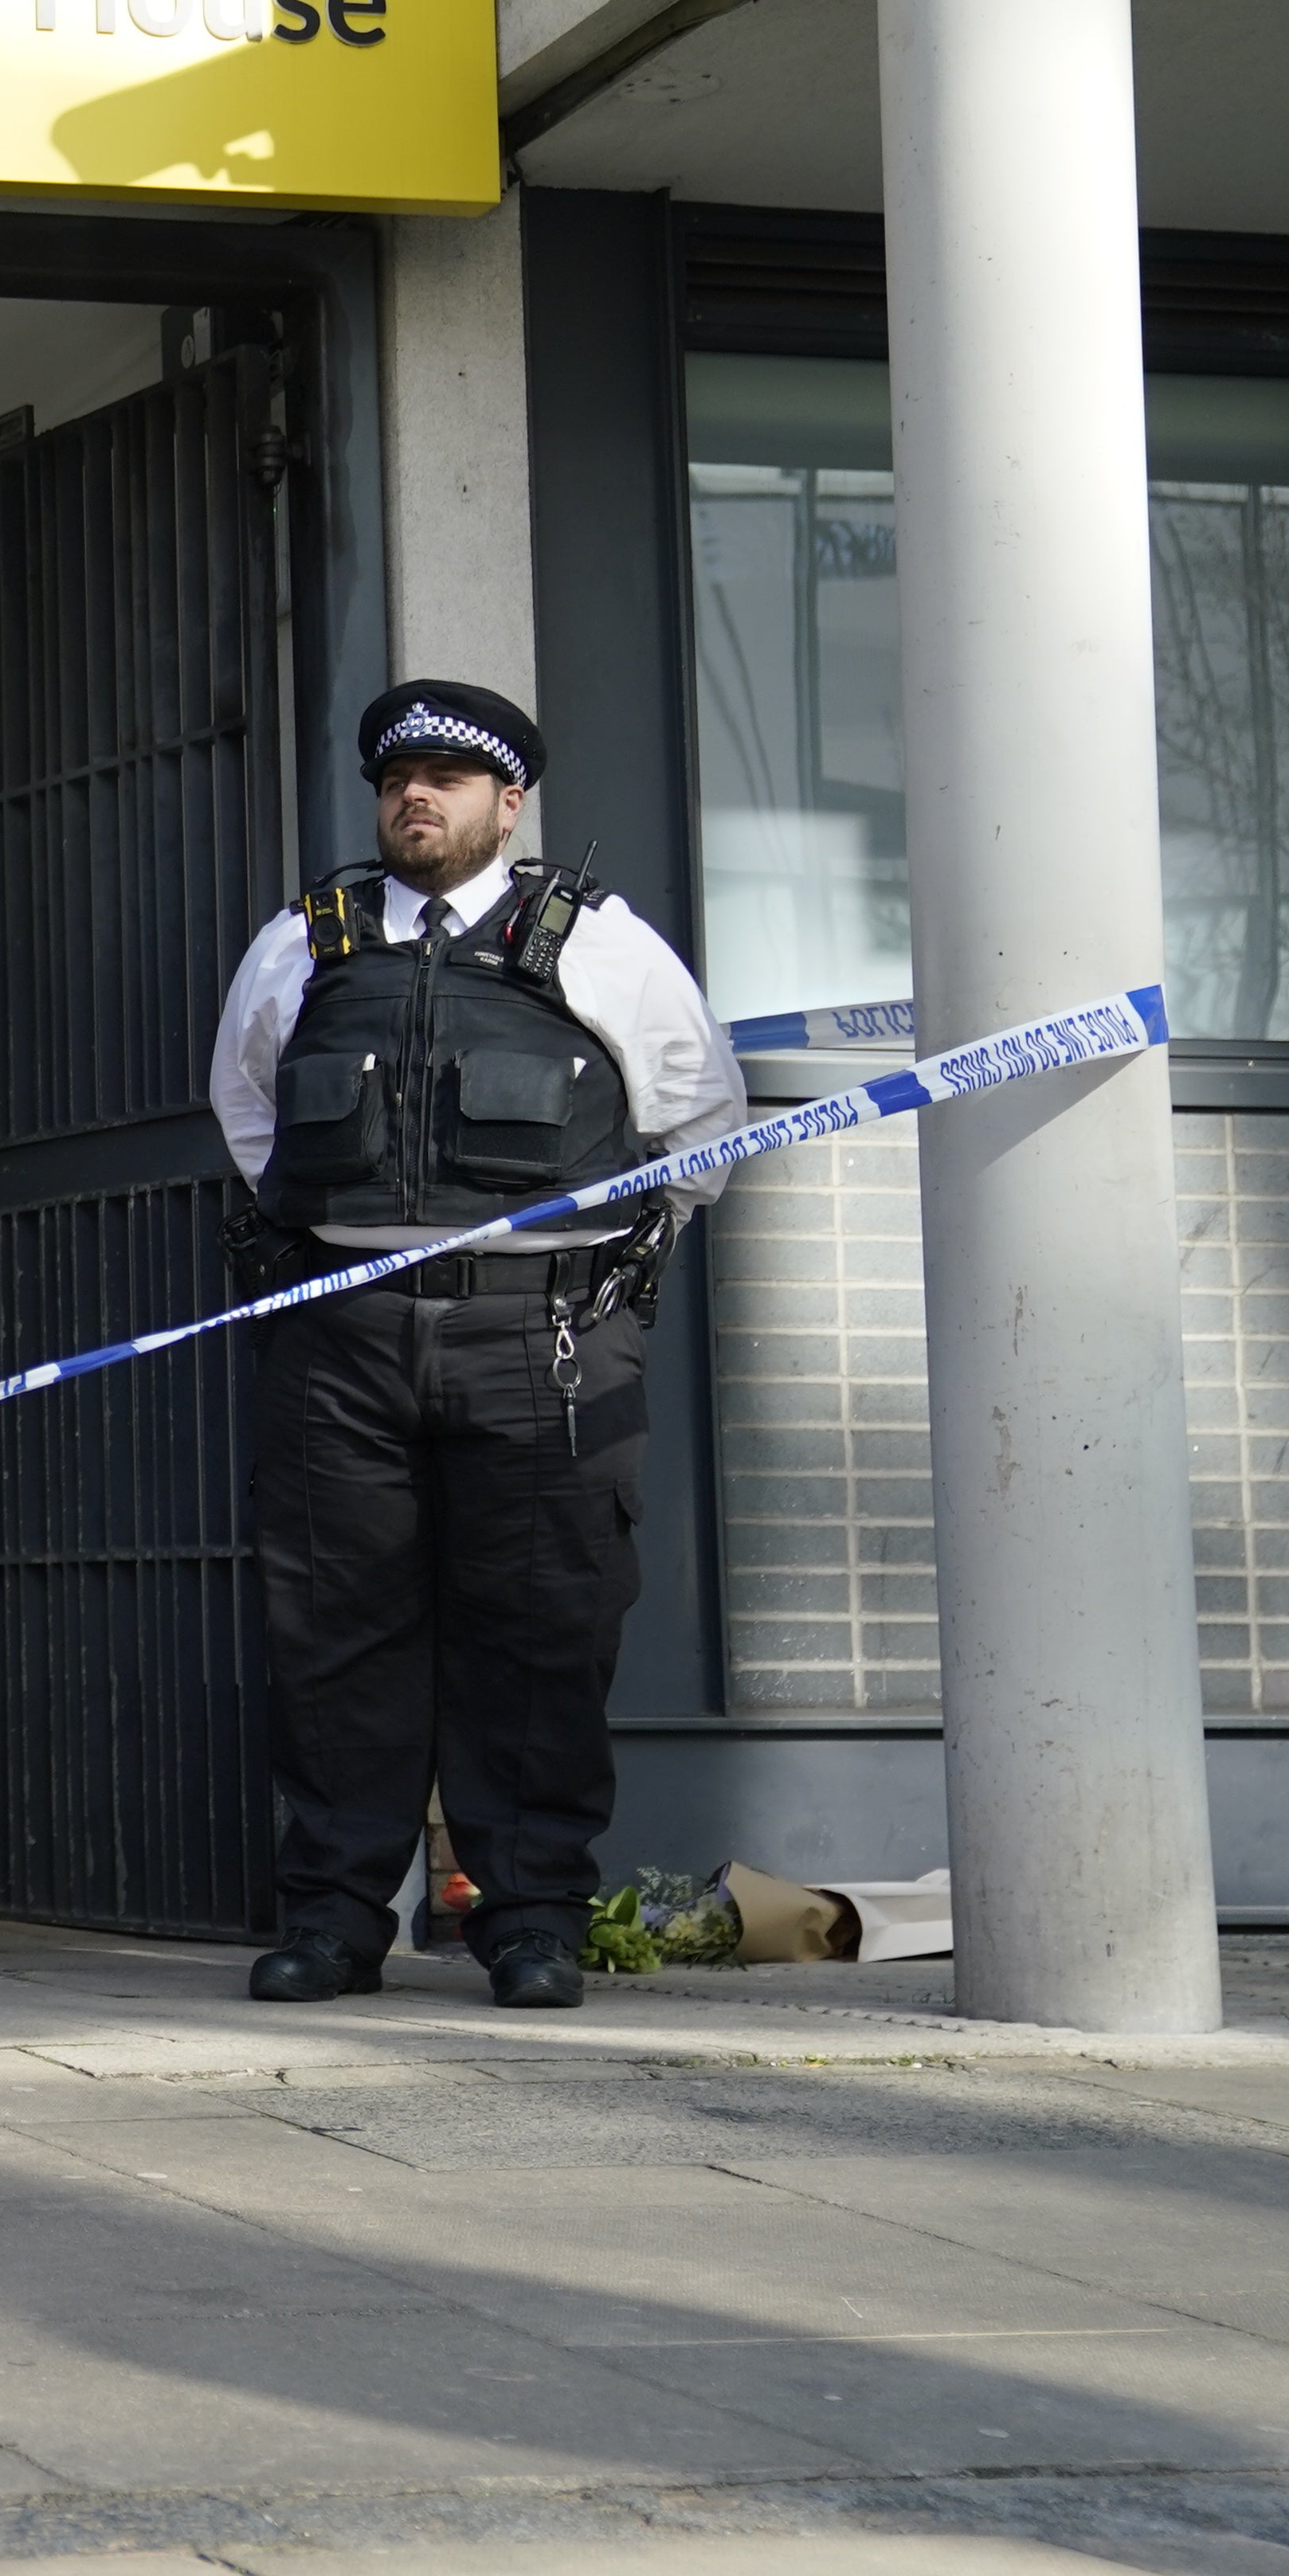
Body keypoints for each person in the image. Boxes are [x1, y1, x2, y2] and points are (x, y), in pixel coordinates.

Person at [205, 679, 747, 2011]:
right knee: (335, 1636)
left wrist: (607, 1264)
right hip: (341, 1339)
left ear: (509, 804)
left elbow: (702, 1126)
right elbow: (249, 1108)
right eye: (400, 778)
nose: (418, 798)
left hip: (541, 1335)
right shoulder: (304, 942)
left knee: (542, 1633)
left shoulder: (600, 943)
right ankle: (334, 1924)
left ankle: (532, 1923)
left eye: (450, 779)